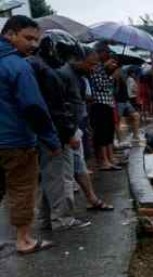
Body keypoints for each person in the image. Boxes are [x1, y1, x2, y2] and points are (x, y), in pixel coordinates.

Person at [0, 15, 60, 254]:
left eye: (36, 39)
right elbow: (34, 107)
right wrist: (51, 140)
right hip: (16, 141)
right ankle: (24, 240)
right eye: (28, 38)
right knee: (22, 188)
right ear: (9, 34)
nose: (34, 44)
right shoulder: (18, 66)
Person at [29, 29, 91, 231]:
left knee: (50, 177)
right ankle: (62, 219)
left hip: (43, 133)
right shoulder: (48, 73)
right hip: (55, 134)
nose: (67, 61)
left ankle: (47, 219)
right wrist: (69, 133)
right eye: (66, 55)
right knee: (61, 176)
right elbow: (56, 109)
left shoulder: (35, 66)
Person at [56, 33, 113, 211]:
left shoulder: (79, 76)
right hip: (66, 131)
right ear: (77, 60)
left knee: (79, 166)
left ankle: (92, 200)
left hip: (75, 128)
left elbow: (79, 102)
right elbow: (59, 107)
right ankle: (62, 217)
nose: (94, 68)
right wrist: (69, 132)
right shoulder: (63, 75)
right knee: (65, 174)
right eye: (91, 64)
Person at [87, 41, 119, 170]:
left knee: (109, 133)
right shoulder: (96, 67)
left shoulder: (104, 68)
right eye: (106, 52)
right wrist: (110, 76)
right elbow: (99, 86)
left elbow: (110, 89)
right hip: (99, 103)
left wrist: (110, 73)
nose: (108, 55)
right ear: (99, 53)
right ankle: (103, 161)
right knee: (101, 134)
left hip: (108, 103)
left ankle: (110, 158)